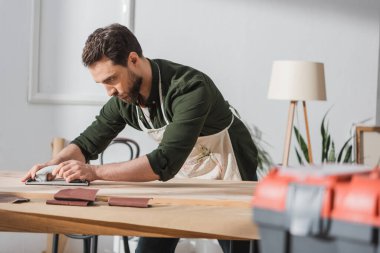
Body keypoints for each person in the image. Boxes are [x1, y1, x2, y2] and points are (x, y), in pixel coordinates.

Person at [22, 23, 258, 253]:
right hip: (182, 173)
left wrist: (93, 172)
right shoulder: (124, 99)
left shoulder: (190, 88)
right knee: (150, 246)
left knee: (240, 244)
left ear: (133, 60)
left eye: (111, 79)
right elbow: (86, 143)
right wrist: (52, 165)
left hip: (230, 168)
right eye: (102, 83)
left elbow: (164, 160)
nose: (109, 91)